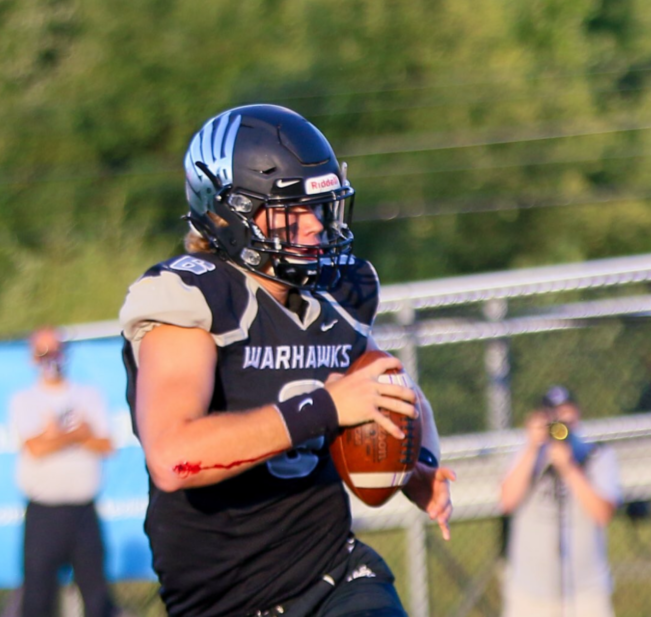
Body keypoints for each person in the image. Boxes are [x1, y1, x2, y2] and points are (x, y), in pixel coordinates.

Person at [119, 104, 455, 617]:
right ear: (227, 211)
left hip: (333, 572)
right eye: (290, 211)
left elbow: (388, 382)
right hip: (222, 600)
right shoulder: (189, 297)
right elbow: (172, 457)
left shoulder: (338, 290)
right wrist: (324, 408)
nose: (314, 227)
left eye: (318, 208)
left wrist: (416, 463)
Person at [9, 327, 118, 617]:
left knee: (96, 598)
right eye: (43, 352)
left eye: (55, 351)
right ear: (32, 358)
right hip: (44, 513)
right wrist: (77, 435)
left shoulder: (88, 395)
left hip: (83, 511)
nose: (51, 359)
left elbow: (106, 444)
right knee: (37, 598)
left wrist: (58, 436)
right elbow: (36, 448)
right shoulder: (25, 399)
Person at [500, 385, 622, 617]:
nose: (561, 421)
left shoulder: (595, 454)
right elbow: (506, 501)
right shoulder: (526, 453)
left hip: (587, 591)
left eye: (566, 412)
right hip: (530, 593)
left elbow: (603, 513)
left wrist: (569, 469)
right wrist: (532, 448)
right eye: (553, 414)